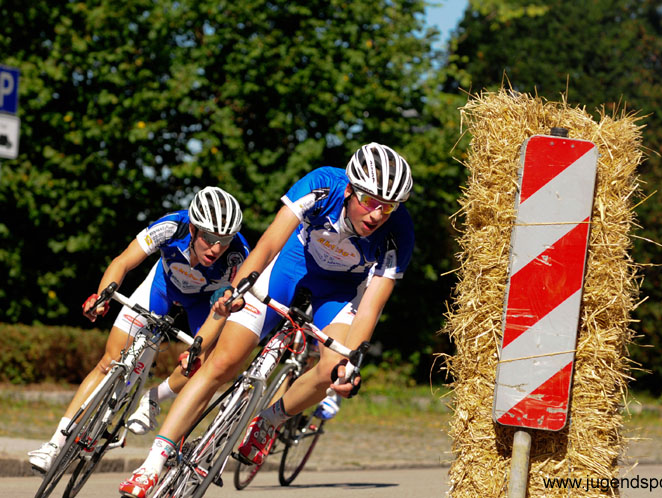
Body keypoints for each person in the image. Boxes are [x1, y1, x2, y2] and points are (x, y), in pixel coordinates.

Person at [119, 142, 414, 498]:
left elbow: (371, 305)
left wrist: (351, 362)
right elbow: (270, 243)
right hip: (291, 267)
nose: (377, 214)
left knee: (332, 368)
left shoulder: (398, 234)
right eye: (369, 201)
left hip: (339, 292)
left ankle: (269, 421)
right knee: (222, 362)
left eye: (388, 206)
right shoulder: (323, 184)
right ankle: (152, 464)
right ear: (350, 190)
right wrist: (239, 288)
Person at [28, 187, 250, 476]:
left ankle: (154, 398)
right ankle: (55, 444)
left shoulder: (237, 255)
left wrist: (200, 344)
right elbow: (123, 261)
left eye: (225, 240)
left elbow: (226, 307)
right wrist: (102, 297)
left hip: (204, 304)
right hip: (162, 288)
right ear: (193, 229)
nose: (216, 248)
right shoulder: (171, 226)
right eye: (209, 237)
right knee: (109, 362)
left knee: (202, 365)